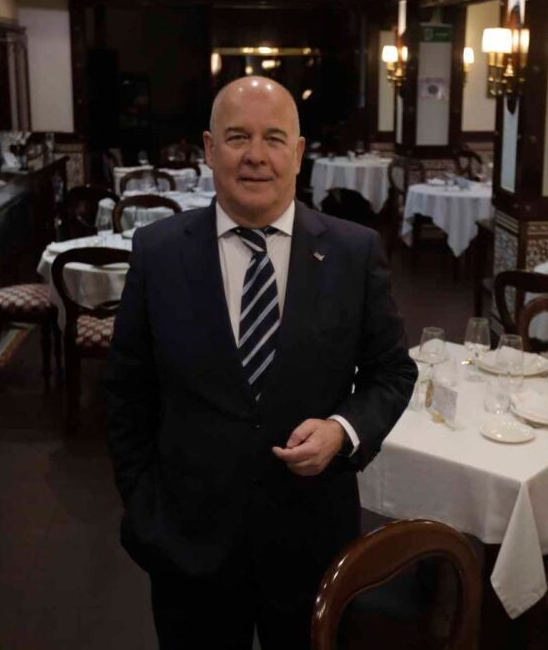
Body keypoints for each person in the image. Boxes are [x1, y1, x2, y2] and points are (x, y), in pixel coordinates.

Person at [103, 77, 416, 649]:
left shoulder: (352, 252)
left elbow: (392, 372)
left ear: (298, 153)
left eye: (274, 138)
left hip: (311, 542)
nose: (255, 156)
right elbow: (127, 391)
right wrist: (145, 508)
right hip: (187, 545)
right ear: (208, 149)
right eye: (237, 137)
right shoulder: (158, 253)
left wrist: (343, 431)